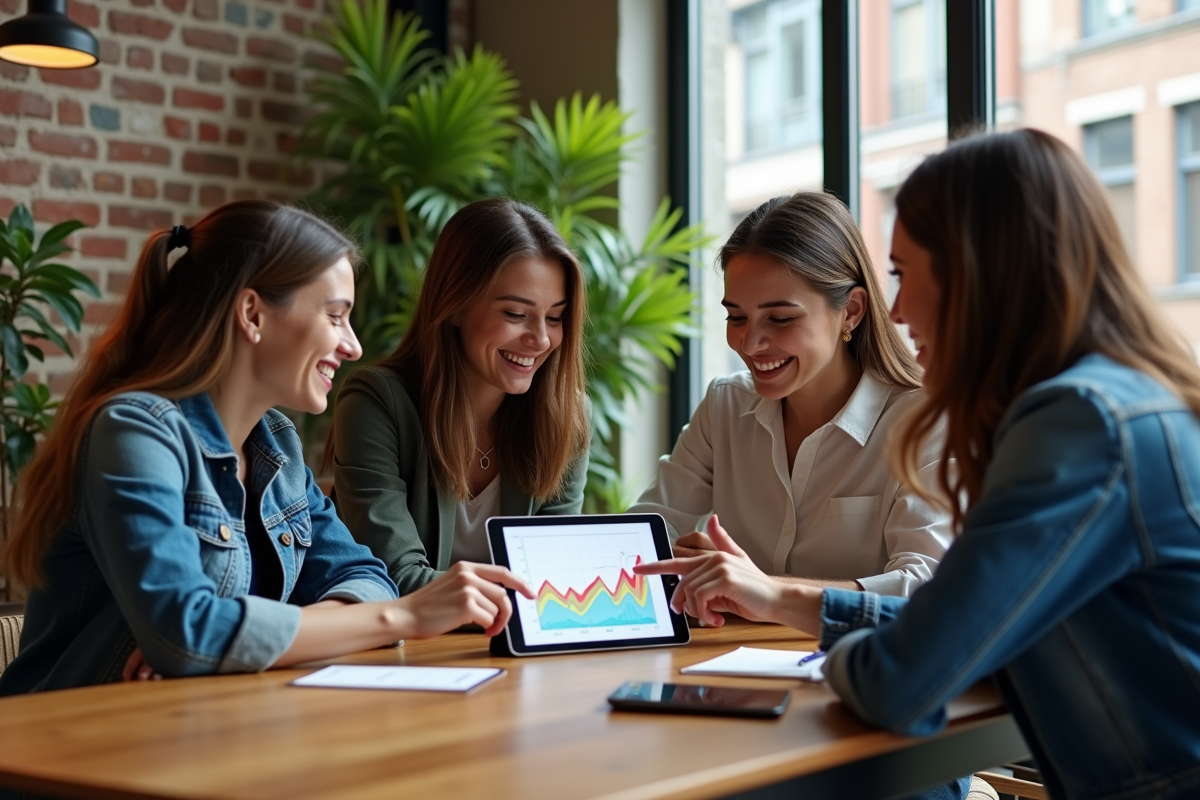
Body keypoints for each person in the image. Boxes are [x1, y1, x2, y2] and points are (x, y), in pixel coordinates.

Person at [639, 129, 1200, 800]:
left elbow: (902, 678)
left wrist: (796, 612)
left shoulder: (1077, 427)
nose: (896, 310)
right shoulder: (1125, 401)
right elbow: (952, 625)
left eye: (904, 275)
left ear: (978, 273)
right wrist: (789, 602)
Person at [0, 201, 532, 695]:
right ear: (252, 314)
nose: (353, 346)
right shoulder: (136, 432)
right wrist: (406, 618)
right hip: (70, 760)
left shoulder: (277, 445)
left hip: (197, 737)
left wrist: (229, 644)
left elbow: (367, 579)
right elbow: (187, 631)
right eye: (334, 315)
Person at [629, 191, 952, 597]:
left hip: (850, 660)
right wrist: (681, 561)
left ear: (850, 311)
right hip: (727, 658)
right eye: (737, 317)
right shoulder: (725, 405)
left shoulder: (926, 422)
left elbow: (926, 588)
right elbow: (645, 533)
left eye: (780, 318)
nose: (750, 343)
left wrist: (764, 590)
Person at [327, 198, 590, 596]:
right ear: (454, 306)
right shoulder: (376, 402)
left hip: (512, 652)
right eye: (516, 314)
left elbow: (555, 572)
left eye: (555, 317)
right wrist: (528, 599)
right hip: (401, 654)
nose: (540, 338)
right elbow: (394, 576)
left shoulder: (565, 416)